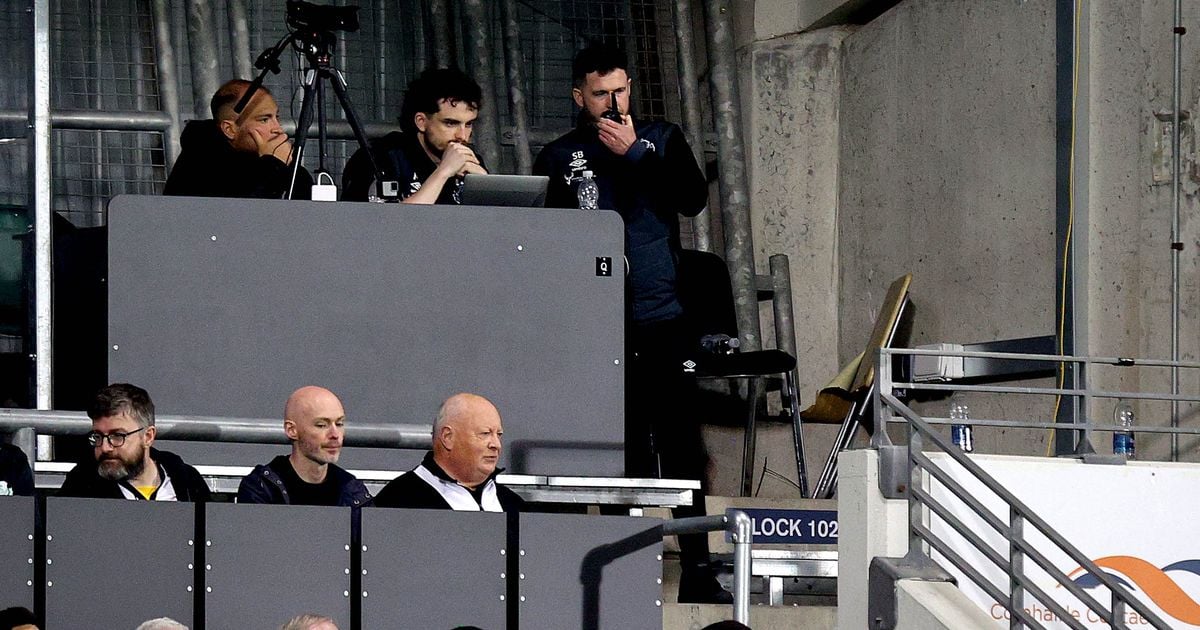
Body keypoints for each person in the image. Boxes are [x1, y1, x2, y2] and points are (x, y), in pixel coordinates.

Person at [532, 44, 719, 603]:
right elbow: (548, 238)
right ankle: (621, 569)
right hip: (598, 324)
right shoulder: (563, 155)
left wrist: (638, 154)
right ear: (578, 97)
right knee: (623, 447)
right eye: (599, 94)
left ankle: (699, 568)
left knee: (683, 444)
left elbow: (691, 199)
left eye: (620, 90)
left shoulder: (662, 138)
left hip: (664, 317)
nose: (612, 103)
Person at [341, 68, 487, 204]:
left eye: (468, 124)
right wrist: (443, 172)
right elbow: (383, 225)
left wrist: (484, 185)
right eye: (450, 123)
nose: (462, 135)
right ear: (421, 122)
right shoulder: (381, 157)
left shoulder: (470, 161)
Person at [163, 79, 313, 199]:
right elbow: (240, 218)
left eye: (276, 117)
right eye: (264, 120)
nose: (278, 128)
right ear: (229, 129)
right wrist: (273, 165)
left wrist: (290, 167)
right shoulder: (201, 161)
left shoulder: (263, 161)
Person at [59, 383, 211, 502]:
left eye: (117, 436)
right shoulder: (80, 487)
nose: (105, 447)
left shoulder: (189, 482)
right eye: (98, 436)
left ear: (148, 437)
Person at [373, 393, 522, 512]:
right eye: (484, 434)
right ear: (447, 437)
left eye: (499, 434)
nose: (496, 445)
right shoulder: (399, 501)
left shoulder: (513, 504)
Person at [237, 386, 370, 507]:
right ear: (292, 430)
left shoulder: (352, 490)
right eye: (322, 425)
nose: (335, 434)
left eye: (339, 423)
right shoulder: (262, 488)